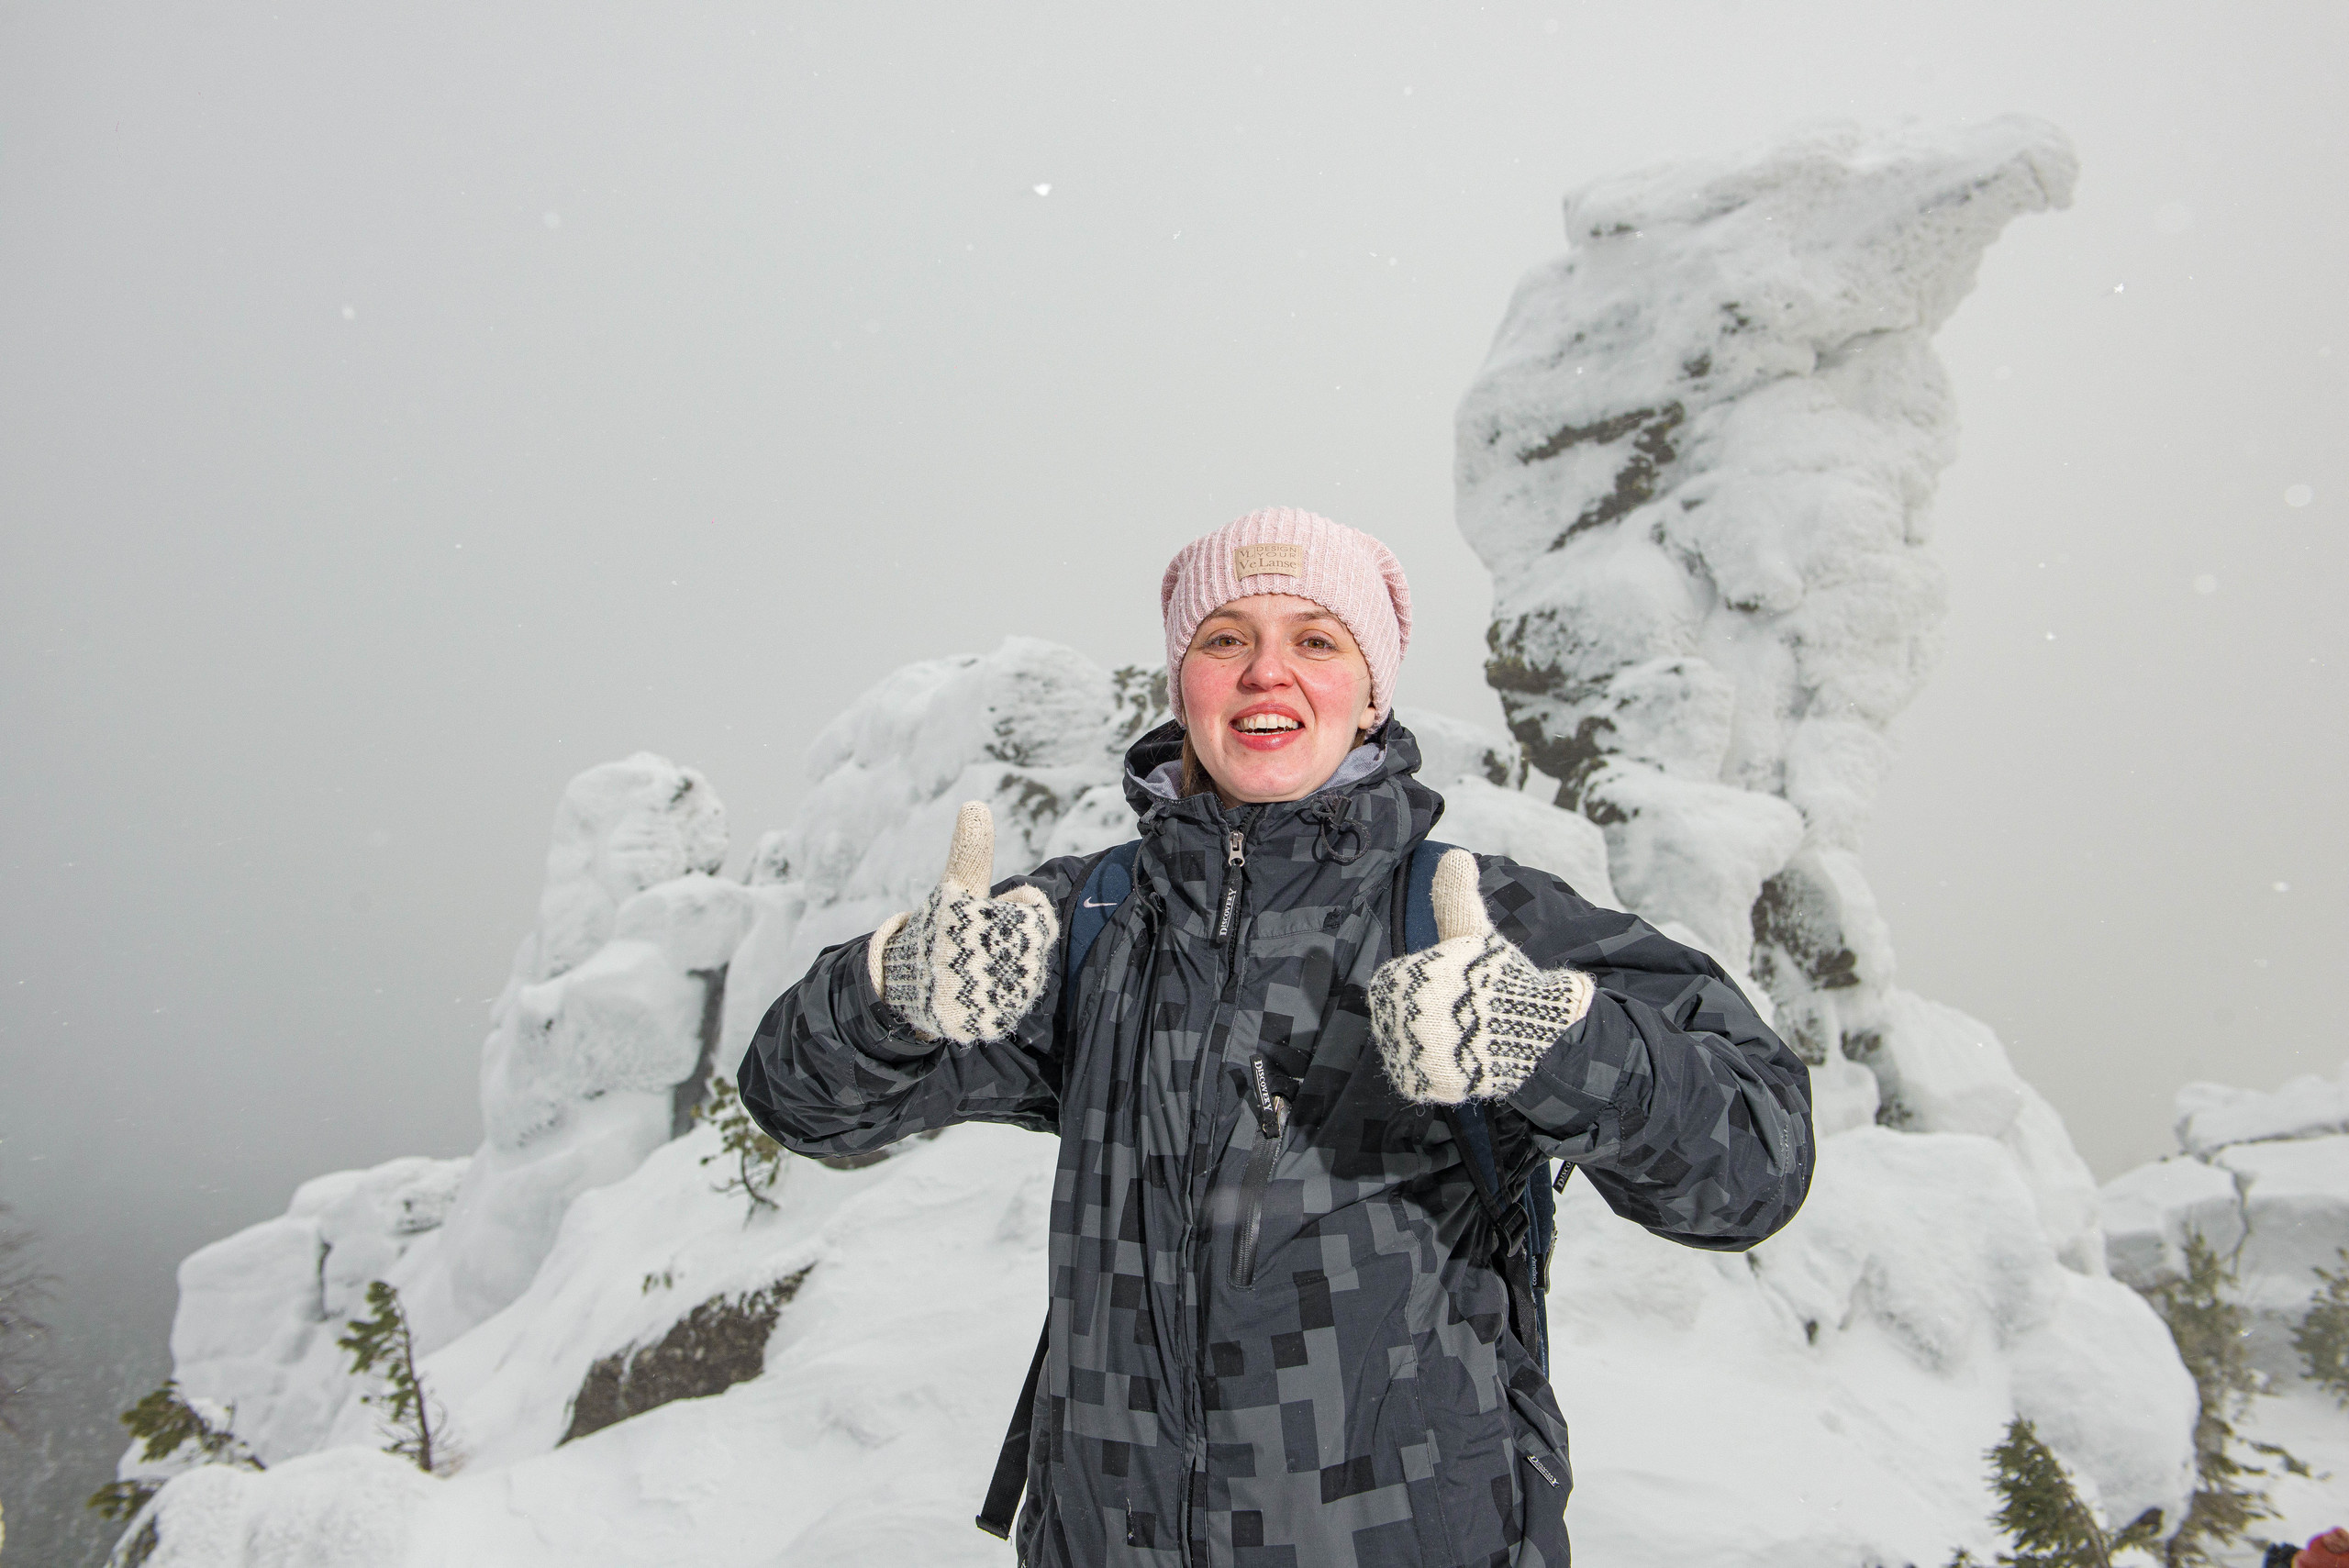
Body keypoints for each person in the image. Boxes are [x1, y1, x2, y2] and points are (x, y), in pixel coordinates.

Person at [739, 507, 1814, 1567]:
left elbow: (1754, 1167)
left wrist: (1550, 1041)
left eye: (1314, 639)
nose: (1267, 672)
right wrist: (894, 987)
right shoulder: (1091, 926)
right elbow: (804, 1101)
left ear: (1369, 690)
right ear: (1183, 684)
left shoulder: (1476, 919)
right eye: (1225, 639)